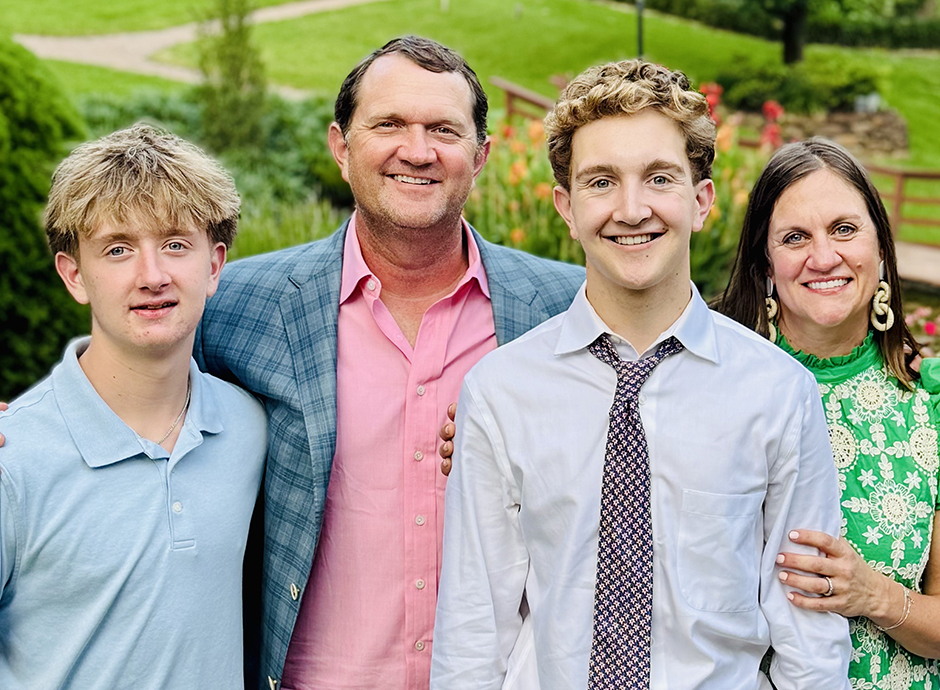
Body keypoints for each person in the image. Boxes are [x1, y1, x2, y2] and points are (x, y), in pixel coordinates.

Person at [430, 61, 852, 689]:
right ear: (567, 208)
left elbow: (808, 637)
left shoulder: (778, 392)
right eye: (602, 182)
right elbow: (472, 627)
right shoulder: (500, 392)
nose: (631, 210)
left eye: (659, 178)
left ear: (701, 201)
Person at [192, 36, 583, 689]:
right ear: (341, 148)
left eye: (444, 130)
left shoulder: (564, 309)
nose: (418, 150)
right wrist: (39, 428)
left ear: (481, 156)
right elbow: (147, 411)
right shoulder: (235, 307)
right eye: (389, 125)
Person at [0, 124, 266, 687]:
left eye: (176, 244)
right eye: (118, 250)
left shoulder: (249, 427)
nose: (152, 276)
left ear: (214, 266)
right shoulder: (11, 460)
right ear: (75, 276)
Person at [715, 138, 940, 689]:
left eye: (843, 229)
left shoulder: (932, 404)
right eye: (795, 238)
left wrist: (873, 595)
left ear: (881, 247)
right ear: (765, 263)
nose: (823, 257)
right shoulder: (718, 392)